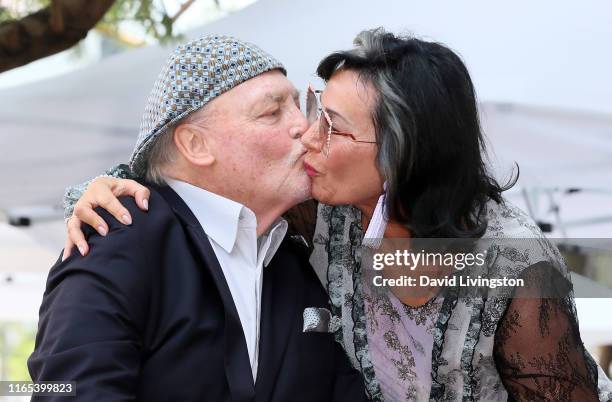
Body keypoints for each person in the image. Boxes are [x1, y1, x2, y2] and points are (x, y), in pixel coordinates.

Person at [62, 29, 612, 401]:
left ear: (402, 153)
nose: (308, 133)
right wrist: (100, 190)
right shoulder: (323, 214)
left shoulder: (508, 262)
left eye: (334, 125)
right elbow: (191, 176)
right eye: (311, 111)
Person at [28, 34, 370, 402]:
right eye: (272, 112)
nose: (305, 127)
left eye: (299, 106)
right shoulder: (120, 238)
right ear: (195, 145)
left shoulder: (294, 261)